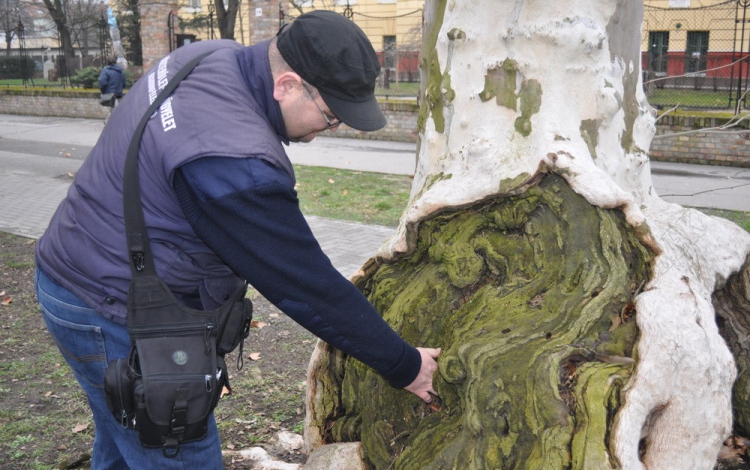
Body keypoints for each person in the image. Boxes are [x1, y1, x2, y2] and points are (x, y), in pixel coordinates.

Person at [35, 10, 440, 469]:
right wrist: (404, 365)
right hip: (107, 308)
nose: (334, 129)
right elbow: (305, 284)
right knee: (181, 455)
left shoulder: (211, 55)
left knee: (123, 438)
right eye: (330, 116)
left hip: (71, 270)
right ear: (287, 85)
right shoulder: (233, 161)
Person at [98, 57, 125, 123]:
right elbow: (124, 82)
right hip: (119, 93)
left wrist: (103, 91)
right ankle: (108, 121)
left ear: (107, 62)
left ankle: (109, 122)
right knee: (115, 108)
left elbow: (102, 82)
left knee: (114, 109)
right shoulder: (120, 70)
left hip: (110, 93)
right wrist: (121, 88)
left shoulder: (105, 70)